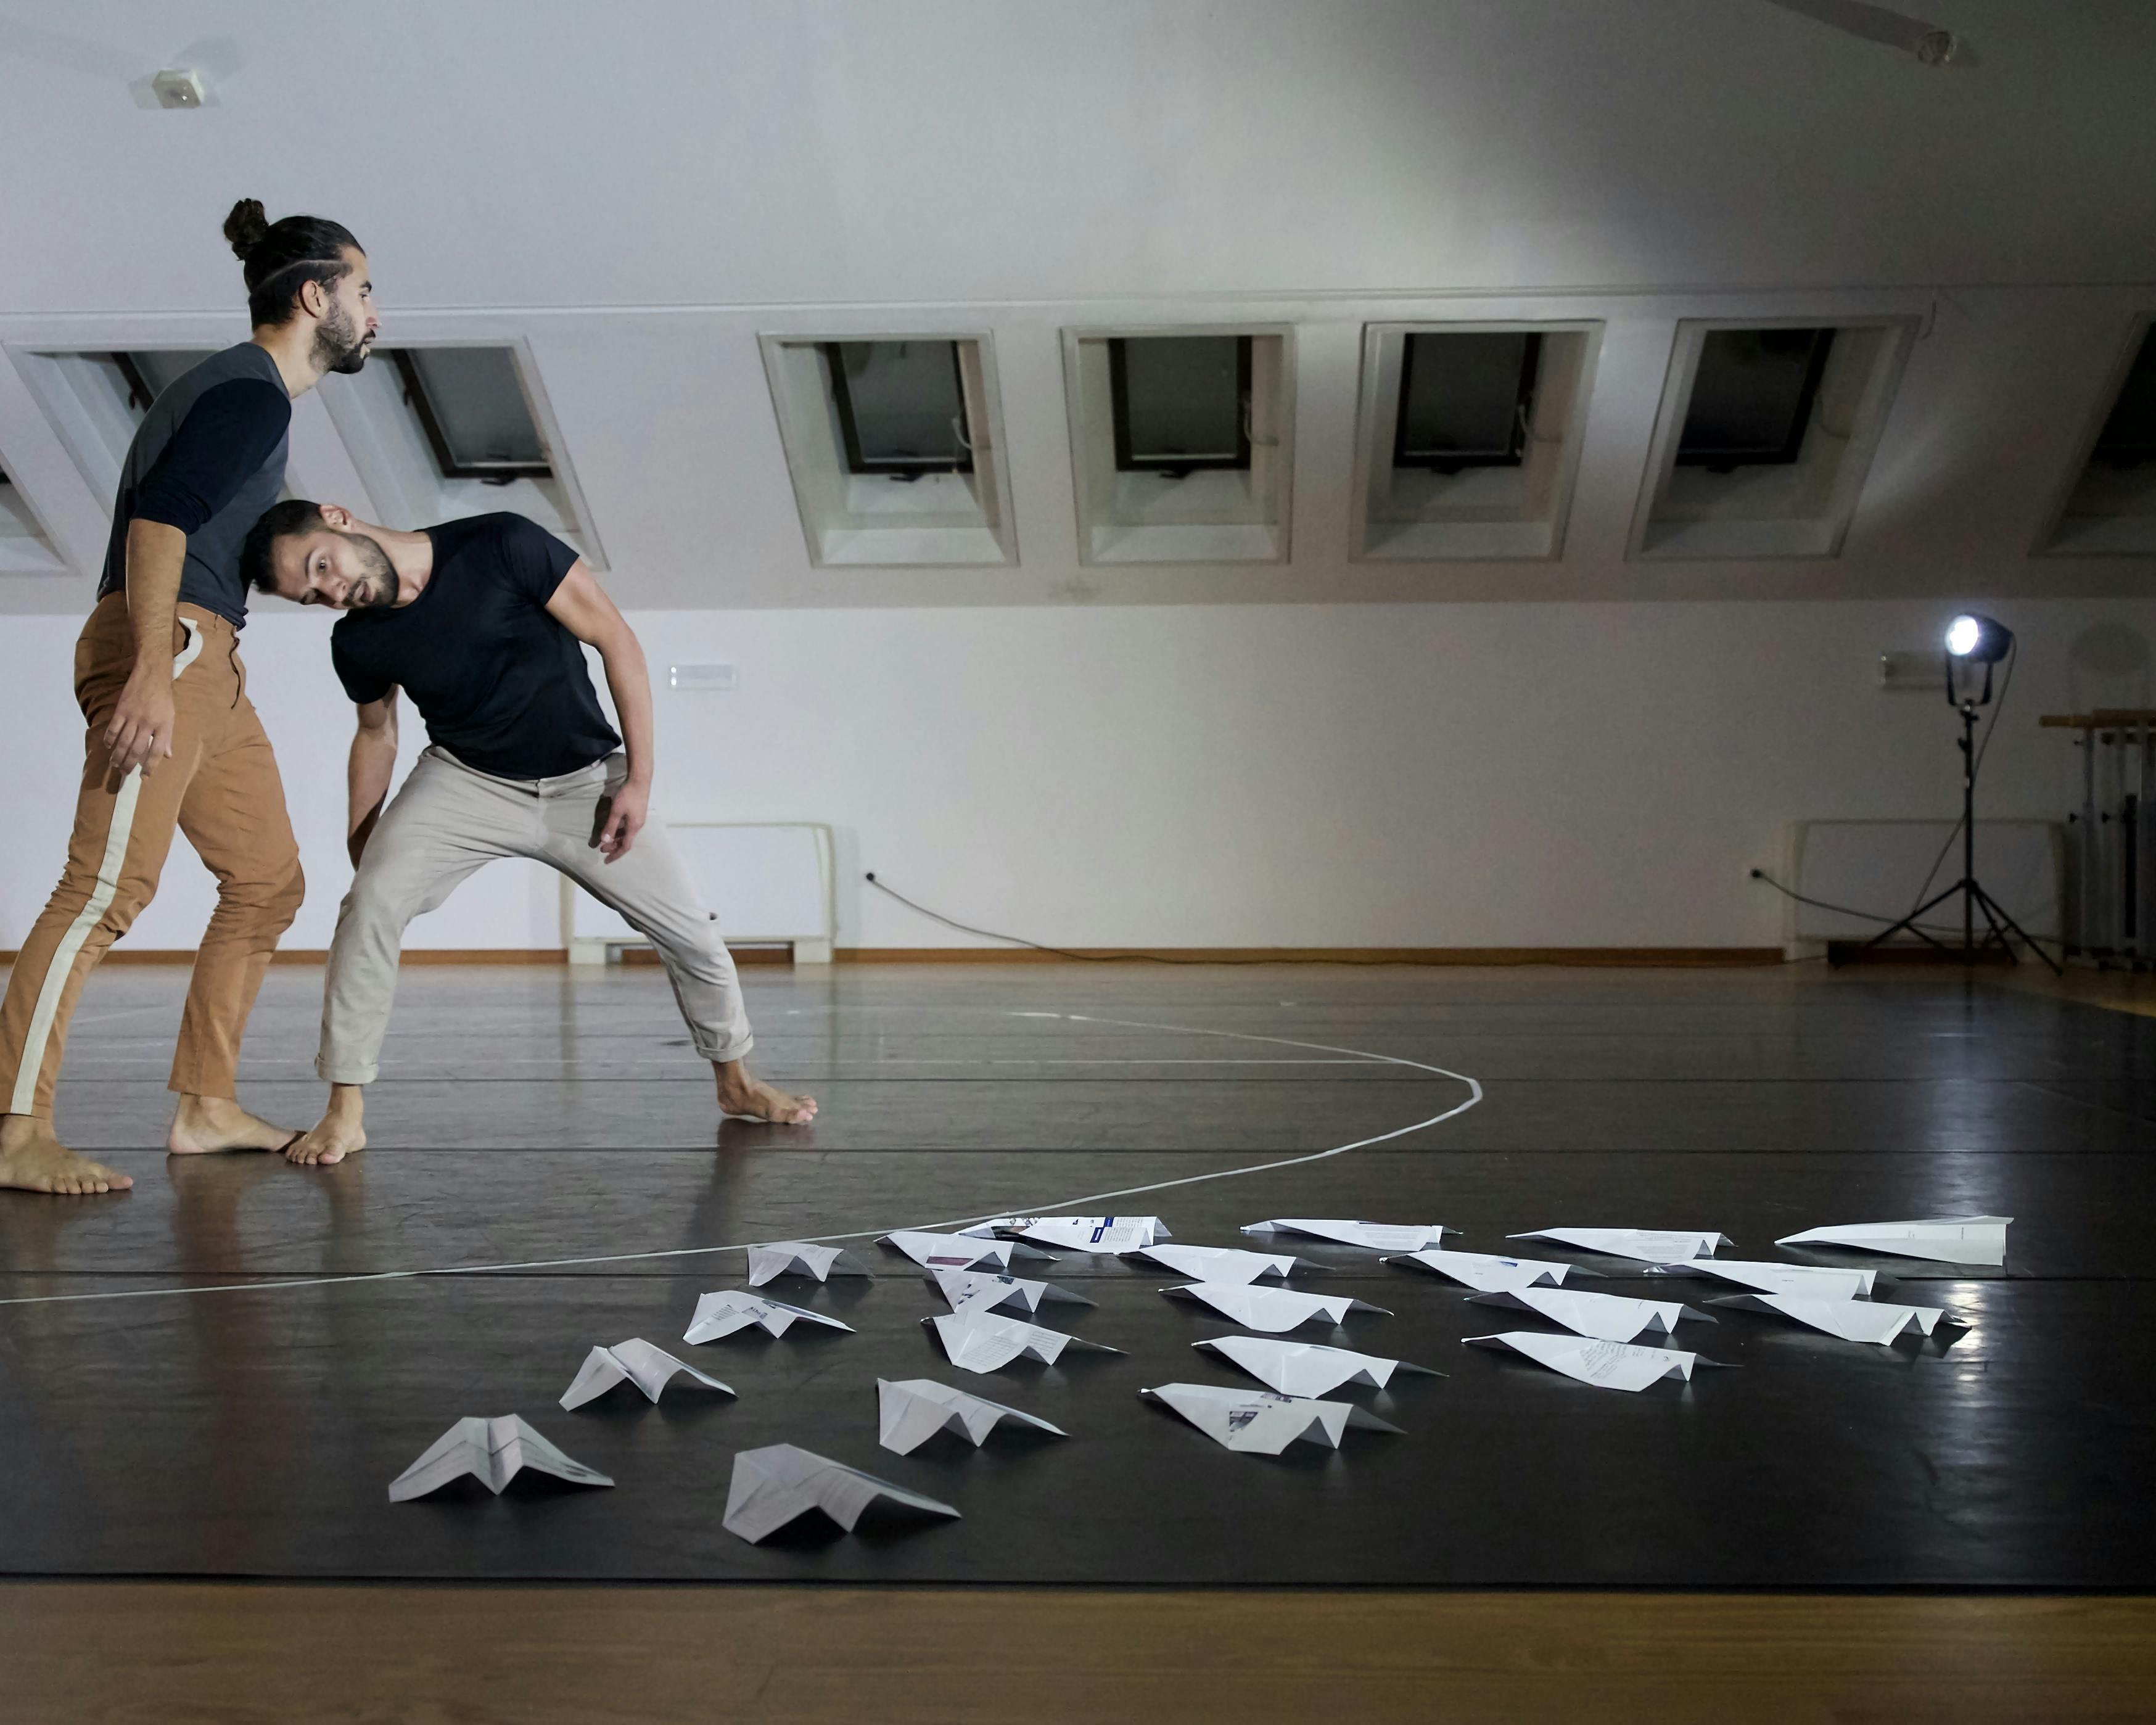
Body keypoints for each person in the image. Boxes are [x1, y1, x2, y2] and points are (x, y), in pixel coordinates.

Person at [241, 502, 817, 1163]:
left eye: (322, 567)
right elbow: (377, 732)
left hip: (585, 781)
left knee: (692, 932)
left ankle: (736, 1083)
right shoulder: (359, 640)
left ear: (338, 519)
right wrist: (360, 838)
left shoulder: (500, 543)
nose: (333, 591)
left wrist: (639, 780)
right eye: (312, 596)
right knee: (370, 904)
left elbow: (614, 637)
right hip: (467, 782)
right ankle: (344, 1110)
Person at [0, 202, 379, 1196]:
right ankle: (16, 1128)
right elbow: (159, 524)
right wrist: (152, 671)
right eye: (364, 290)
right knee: (102, 892)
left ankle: (207, 1104)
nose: (374, 313)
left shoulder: (252, 399)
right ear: (315, 296)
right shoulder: (250, 393)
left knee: (268, 881)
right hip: (168, 644)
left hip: (212, 656)